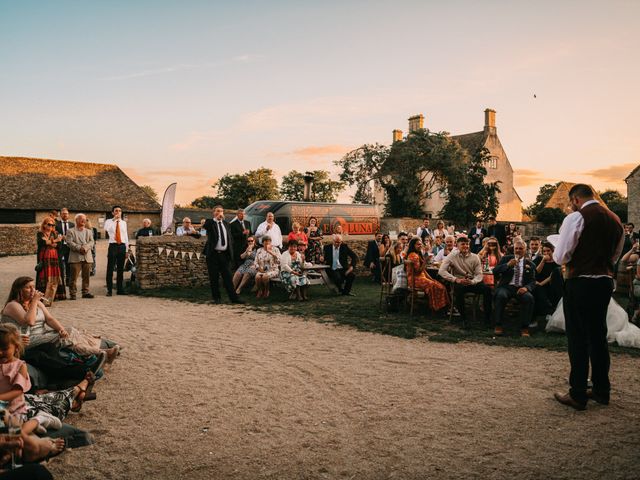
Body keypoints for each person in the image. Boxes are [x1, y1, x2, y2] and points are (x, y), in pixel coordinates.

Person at [552, 184, 624, 411]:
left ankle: (578, 393)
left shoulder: (576, 218)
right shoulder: (615, 219)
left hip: (581, 281)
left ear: (574, 199)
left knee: (578, 338)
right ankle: (602, 390)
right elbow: (615, 254)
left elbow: (561, 256)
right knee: (597, 336)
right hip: (603, 281)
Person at [2, 277, 119, 363]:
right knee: (62, 338)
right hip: (26, 341)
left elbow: (50, 319)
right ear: (19, 290)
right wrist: (34, 302)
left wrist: (61, 329)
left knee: (68, 331)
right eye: (28, 287)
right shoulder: (13, 305)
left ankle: (101, 353)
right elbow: (30, 321)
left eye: (33, 287)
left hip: (42, 335)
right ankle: (100, 352)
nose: (33, 290)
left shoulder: (36, 303)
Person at [0, 324, 67, 463]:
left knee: (18, 432)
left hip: (14, 408)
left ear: (16, 348)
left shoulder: (20, 366)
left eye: (4, 349)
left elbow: (17, 391)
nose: (0, 353)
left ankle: (38, 420)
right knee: (13, 444)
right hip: (2, 407)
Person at [438, 237, 492, 326]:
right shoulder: (452, 256)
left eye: (467, 244)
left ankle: (487, 319)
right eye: (463, 244)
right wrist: (456, 279)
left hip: (472, 282)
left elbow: (479, 274)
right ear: (457, 246)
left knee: (487, 290)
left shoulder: (475, 257)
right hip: (460, 282)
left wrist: (473, 281)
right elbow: (441, 271)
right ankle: (464, 319)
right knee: (458, 291)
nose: (465, 246)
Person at [492, 239, 537, 337]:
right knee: (501, 295)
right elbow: (495, 271)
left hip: (521, 288)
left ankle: (524, 327)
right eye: (516, 248)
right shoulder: (506, 259)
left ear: (525, 250)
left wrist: (526, 288)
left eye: (521, 248)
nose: (518, 250)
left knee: (529, 298)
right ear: (513, 249)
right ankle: (498, 324)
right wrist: (507, 265)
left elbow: (533, 281)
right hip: (506, 286)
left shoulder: (530, 264)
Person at [203, 206, 243, 304]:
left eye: (221, 211)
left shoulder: (226, 224)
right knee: (214, 277)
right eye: (218, 211)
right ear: (214, 212)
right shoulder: (210, 222)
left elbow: (230, 238)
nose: (220, 213)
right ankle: (216, 298)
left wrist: (230, 252)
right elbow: (206, 227)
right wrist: (216, 219)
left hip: (224, 255)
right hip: (213, 255)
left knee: (228, 278)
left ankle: (234, 298)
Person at [406, 238, 449, 312]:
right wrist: (425, 261)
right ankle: (437, 307)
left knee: (438, 284)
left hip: (420, 277)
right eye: (418, 244)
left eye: (420, 244)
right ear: (413, 245)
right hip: (415, 279)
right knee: (437, 286)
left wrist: (431, 279)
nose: (420, 246)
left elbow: (423, 271)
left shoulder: (417, 254)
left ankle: (441, 306)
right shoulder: (413, 256)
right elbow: (418, 272)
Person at [65, 214, 95, 300]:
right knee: (73, 277)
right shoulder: (70, 231)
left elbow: (92, 242)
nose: (83, 221)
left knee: (86, 276)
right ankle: (72, 293)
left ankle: (85, 292)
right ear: (76, 220)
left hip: (87, 257)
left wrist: (85, 248)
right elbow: (69, 242)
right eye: (81, 219)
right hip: (75, 257)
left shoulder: (89, 231)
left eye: (85, 219)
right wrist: (79, 248)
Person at [35, 217, 62, 306]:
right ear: (44, 224)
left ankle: (54, 295)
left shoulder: (55, 233)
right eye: (49, 224)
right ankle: (43, 296)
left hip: (54, 257)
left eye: (52, 225)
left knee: (54, 275)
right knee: (44, 275)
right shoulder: (40, 233)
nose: (51, 226)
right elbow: (42, 242)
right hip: (44, 257)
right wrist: (54, 241)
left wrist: (51, 242)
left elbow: (59, 245)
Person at [532, 242, 562, 317]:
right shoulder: (539, 259)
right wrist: (543, 261)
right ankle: (548, 310)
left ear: (553, 251)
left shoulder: (557, 262)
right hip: (538, 283)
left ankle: (550, 310)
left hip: (550, 284)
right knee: (537, 289)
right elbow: (535, 272)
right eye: (544, 251)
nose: (546, 253)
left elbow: (552, 276)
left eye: (548, 251)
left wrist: (541, 284)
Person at [104, 206, 128, 296]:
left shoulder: (124, 223)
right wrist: (114, 220)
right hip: (113, 246)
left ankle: (120, 289)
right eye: (116, 211)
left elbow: (125, 236)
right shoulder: (108, 222)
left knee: (120, 269)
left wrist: (127, 249)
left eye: (120, 211)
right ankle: (109, 290)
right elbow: (107, 229)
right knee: (110, 268)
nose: (118, 212)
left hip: (122, 246)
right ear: (113, 213)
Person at [55, 208, 74, 296]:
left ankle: (68, 281)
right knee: (60, 265)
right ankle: (61, 280)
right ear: (60, 215)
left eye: (66, 214)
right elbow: (54, 233)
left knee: (69, 264)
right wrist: (60, 237)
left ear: (68, 214)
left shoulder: (72, 224)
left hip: (69, 247)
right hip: (60, 247)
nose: (65, 215)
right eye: (63, 214)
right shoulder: (56, 224)